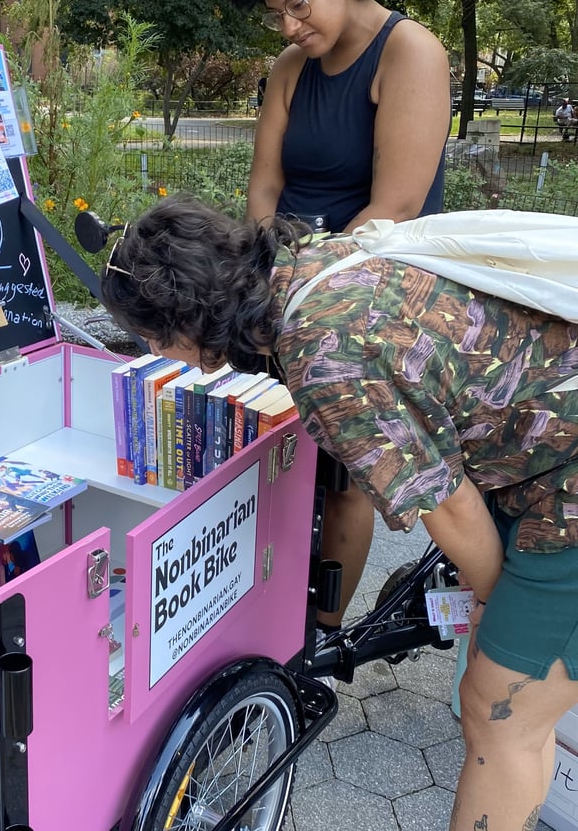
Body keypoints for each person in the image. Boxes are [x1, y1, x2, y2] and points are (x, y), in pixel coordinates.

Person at [101, 195, 578, 831]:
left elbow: (451, 508)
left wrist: (493, 600)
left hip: (564, 486)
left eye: (150, 339)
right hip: (540, 449)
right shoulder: (311, 265)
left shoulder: (327, 359)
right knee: (513, 707)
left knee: (501, 711)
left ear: (183, 326)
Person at [222, 0, 452, 635]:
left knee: (345, 475)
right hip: (290, 281)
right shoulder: (291, 68)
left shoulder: (410, 52)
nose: (288, 25)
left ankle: (315, 637)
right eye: (275, 13)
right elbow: (264, 184)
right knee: (274, 449)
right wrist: (263, 267)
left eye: (298, 3)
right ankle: (258, 602)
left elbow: (399, 205)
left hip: (370, 289)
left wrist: (303, 287)